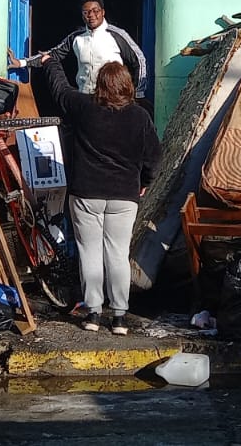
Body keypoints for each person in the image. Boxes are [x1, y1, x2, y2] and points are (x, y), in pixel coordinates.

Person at [41, 53, 159, 335]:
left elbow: (61, 90)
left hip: (86, 194)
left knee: (89, 252)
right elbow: (154, 156)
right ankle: (119, 317)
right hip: (124, 196)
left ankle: (93, 314)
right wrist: (144, 181)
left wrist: (50, 63)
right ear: (127, 86)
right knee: (118, 254)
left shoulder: (84, 108)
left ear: (99, 85)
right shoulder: (140, 116)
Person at [13, 0, 148, 101]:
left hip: (112, 99)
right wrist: (22, 63)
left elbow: (139, 59)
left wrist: (138, 92)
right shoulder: (76, 37)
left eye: (96, 11)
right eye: (86, 12)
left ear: (103, 12)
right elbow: (53, 54)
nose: (91, 15)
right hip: (84, 97)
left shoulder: (117, 35)